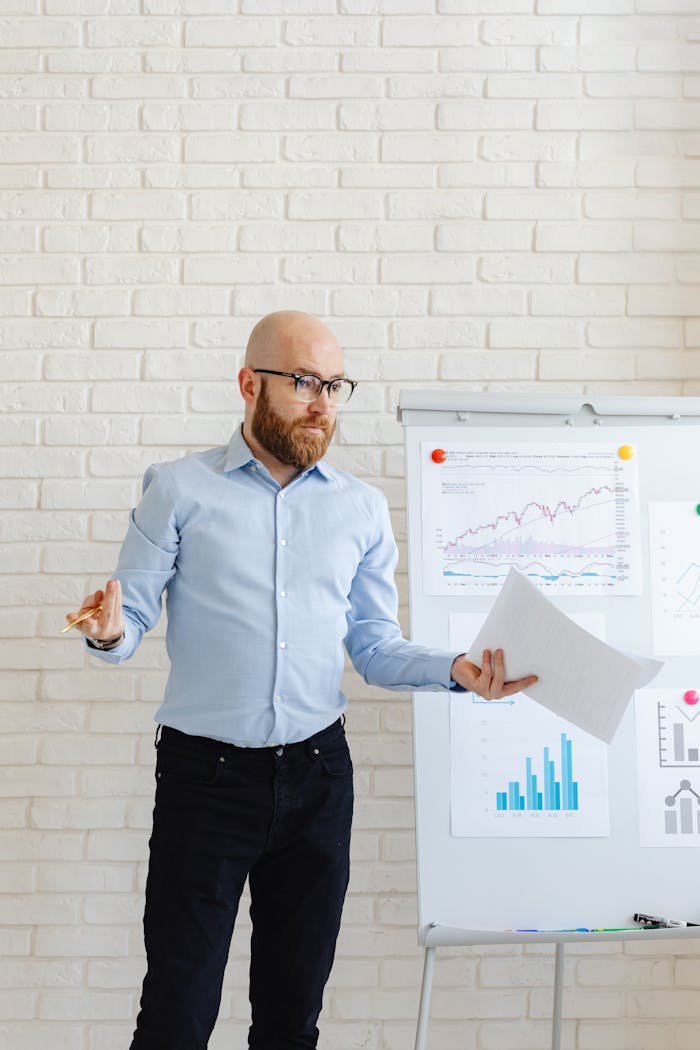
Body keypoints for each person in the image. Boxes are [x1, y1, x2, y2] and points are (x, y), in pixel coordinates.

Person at [65, 310, 536, 1050]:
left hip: (318, 778)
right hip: (205, 782)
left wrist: (454, 670)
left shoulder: (361, 509)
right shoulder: (179, 490)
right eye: (304, 383)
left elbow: (375, 648)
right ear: (251, 384)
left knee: (291, 1018)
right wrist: (110, 631)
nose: (324, 403)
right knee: (177, 1012)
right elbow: (130, 620)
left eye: (336, 385)